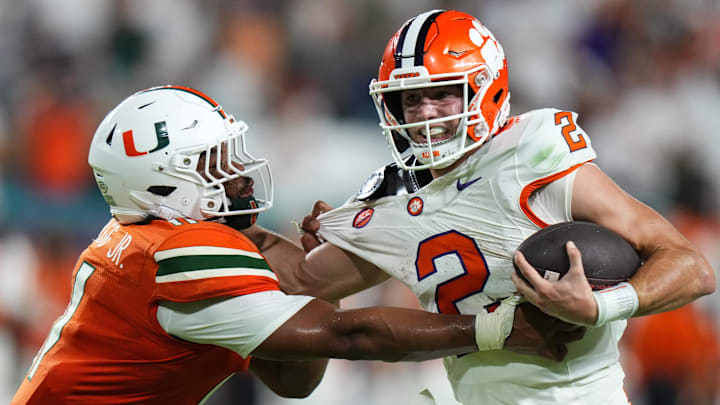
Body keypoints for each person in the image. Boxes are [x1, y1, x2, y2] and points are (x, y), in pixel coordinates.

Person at [240, 9, 716, 405]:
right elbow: (301, 284)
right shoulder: (390, 197)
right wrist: (226, 229)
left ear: (485, 88)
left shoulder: (531, 154)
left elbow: (692, 267)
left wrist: (600, 305)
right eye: (410, 98)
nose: (425, 112)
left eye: (444, 93)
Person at [10, 84, 565, 405]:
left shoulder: (155, 237)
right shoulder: (177, 254)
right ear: (158, 183)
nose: (238, 174)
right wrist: (498, 330)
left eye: (230, 153)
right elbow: (350, 336)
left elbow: (296, 375)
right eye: (211, 164)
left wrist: (304, 269)